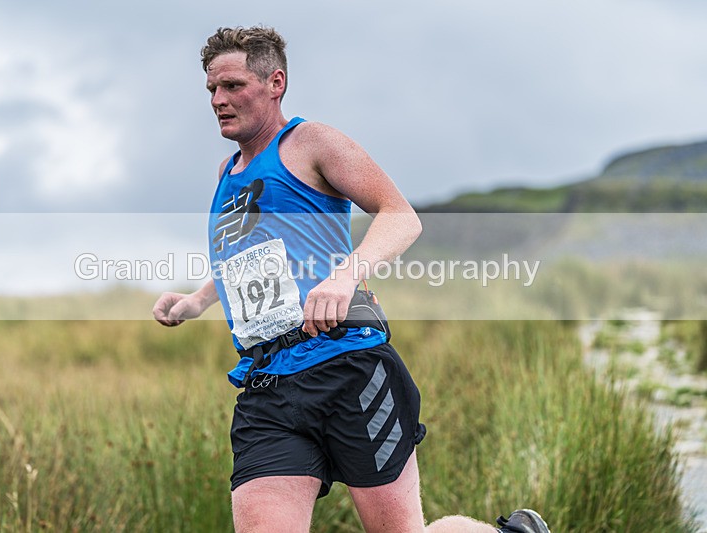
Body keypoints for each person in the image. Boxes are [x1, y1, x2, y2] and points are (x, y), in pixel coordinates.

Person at [153, 26, 551, 533]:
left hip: (347, 364)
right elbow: (247, 259)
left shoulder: (309, 142)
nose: (218, 100)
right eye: (211, 89)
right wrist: (196, 301)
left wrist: (345, 277)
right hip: (268, 385)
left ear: (275, 82)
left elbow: (400, 216)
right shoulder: (226, 174)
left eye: (232, 86)